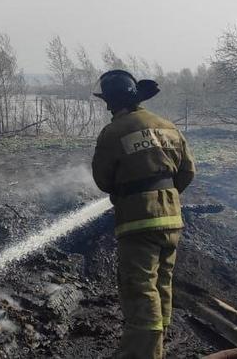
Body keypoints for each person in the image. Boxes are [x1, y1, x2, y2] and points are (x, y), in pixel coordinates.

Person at [90, 70, 195, 359]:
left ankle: (142, 353)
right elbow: (188, 171)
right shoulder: (167, 126)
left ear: (111, 102)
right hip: (172, 219)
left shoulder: (114, 132)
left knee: (139, 288)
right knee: (162, 283)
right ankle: (158, 345)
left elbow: (103, 180)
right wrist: (165, 196)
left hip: (138, 222)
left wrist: (137, 194)